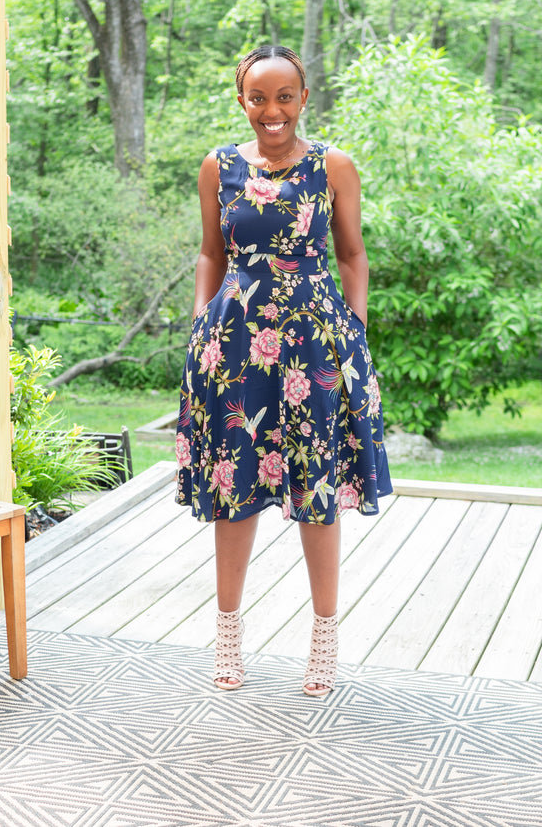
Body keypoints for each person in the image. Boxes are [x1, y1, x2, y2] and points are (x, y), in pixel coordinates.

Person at [175, 45, 392, 696]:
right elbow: (211, 255)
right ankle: (228, 638)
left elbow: (352, 256)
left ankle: (323, 645)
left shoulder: (334, 167)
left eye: (284, 96)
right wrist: (199, 325)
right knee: (233, 490)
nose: (271, 111)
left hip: (314, 346)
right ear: (241, 100)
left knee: (317, 493)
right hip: (234, 346)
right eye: (257, 97)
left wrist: (349, 329)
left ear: (303, 98)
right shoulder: (219, 167)